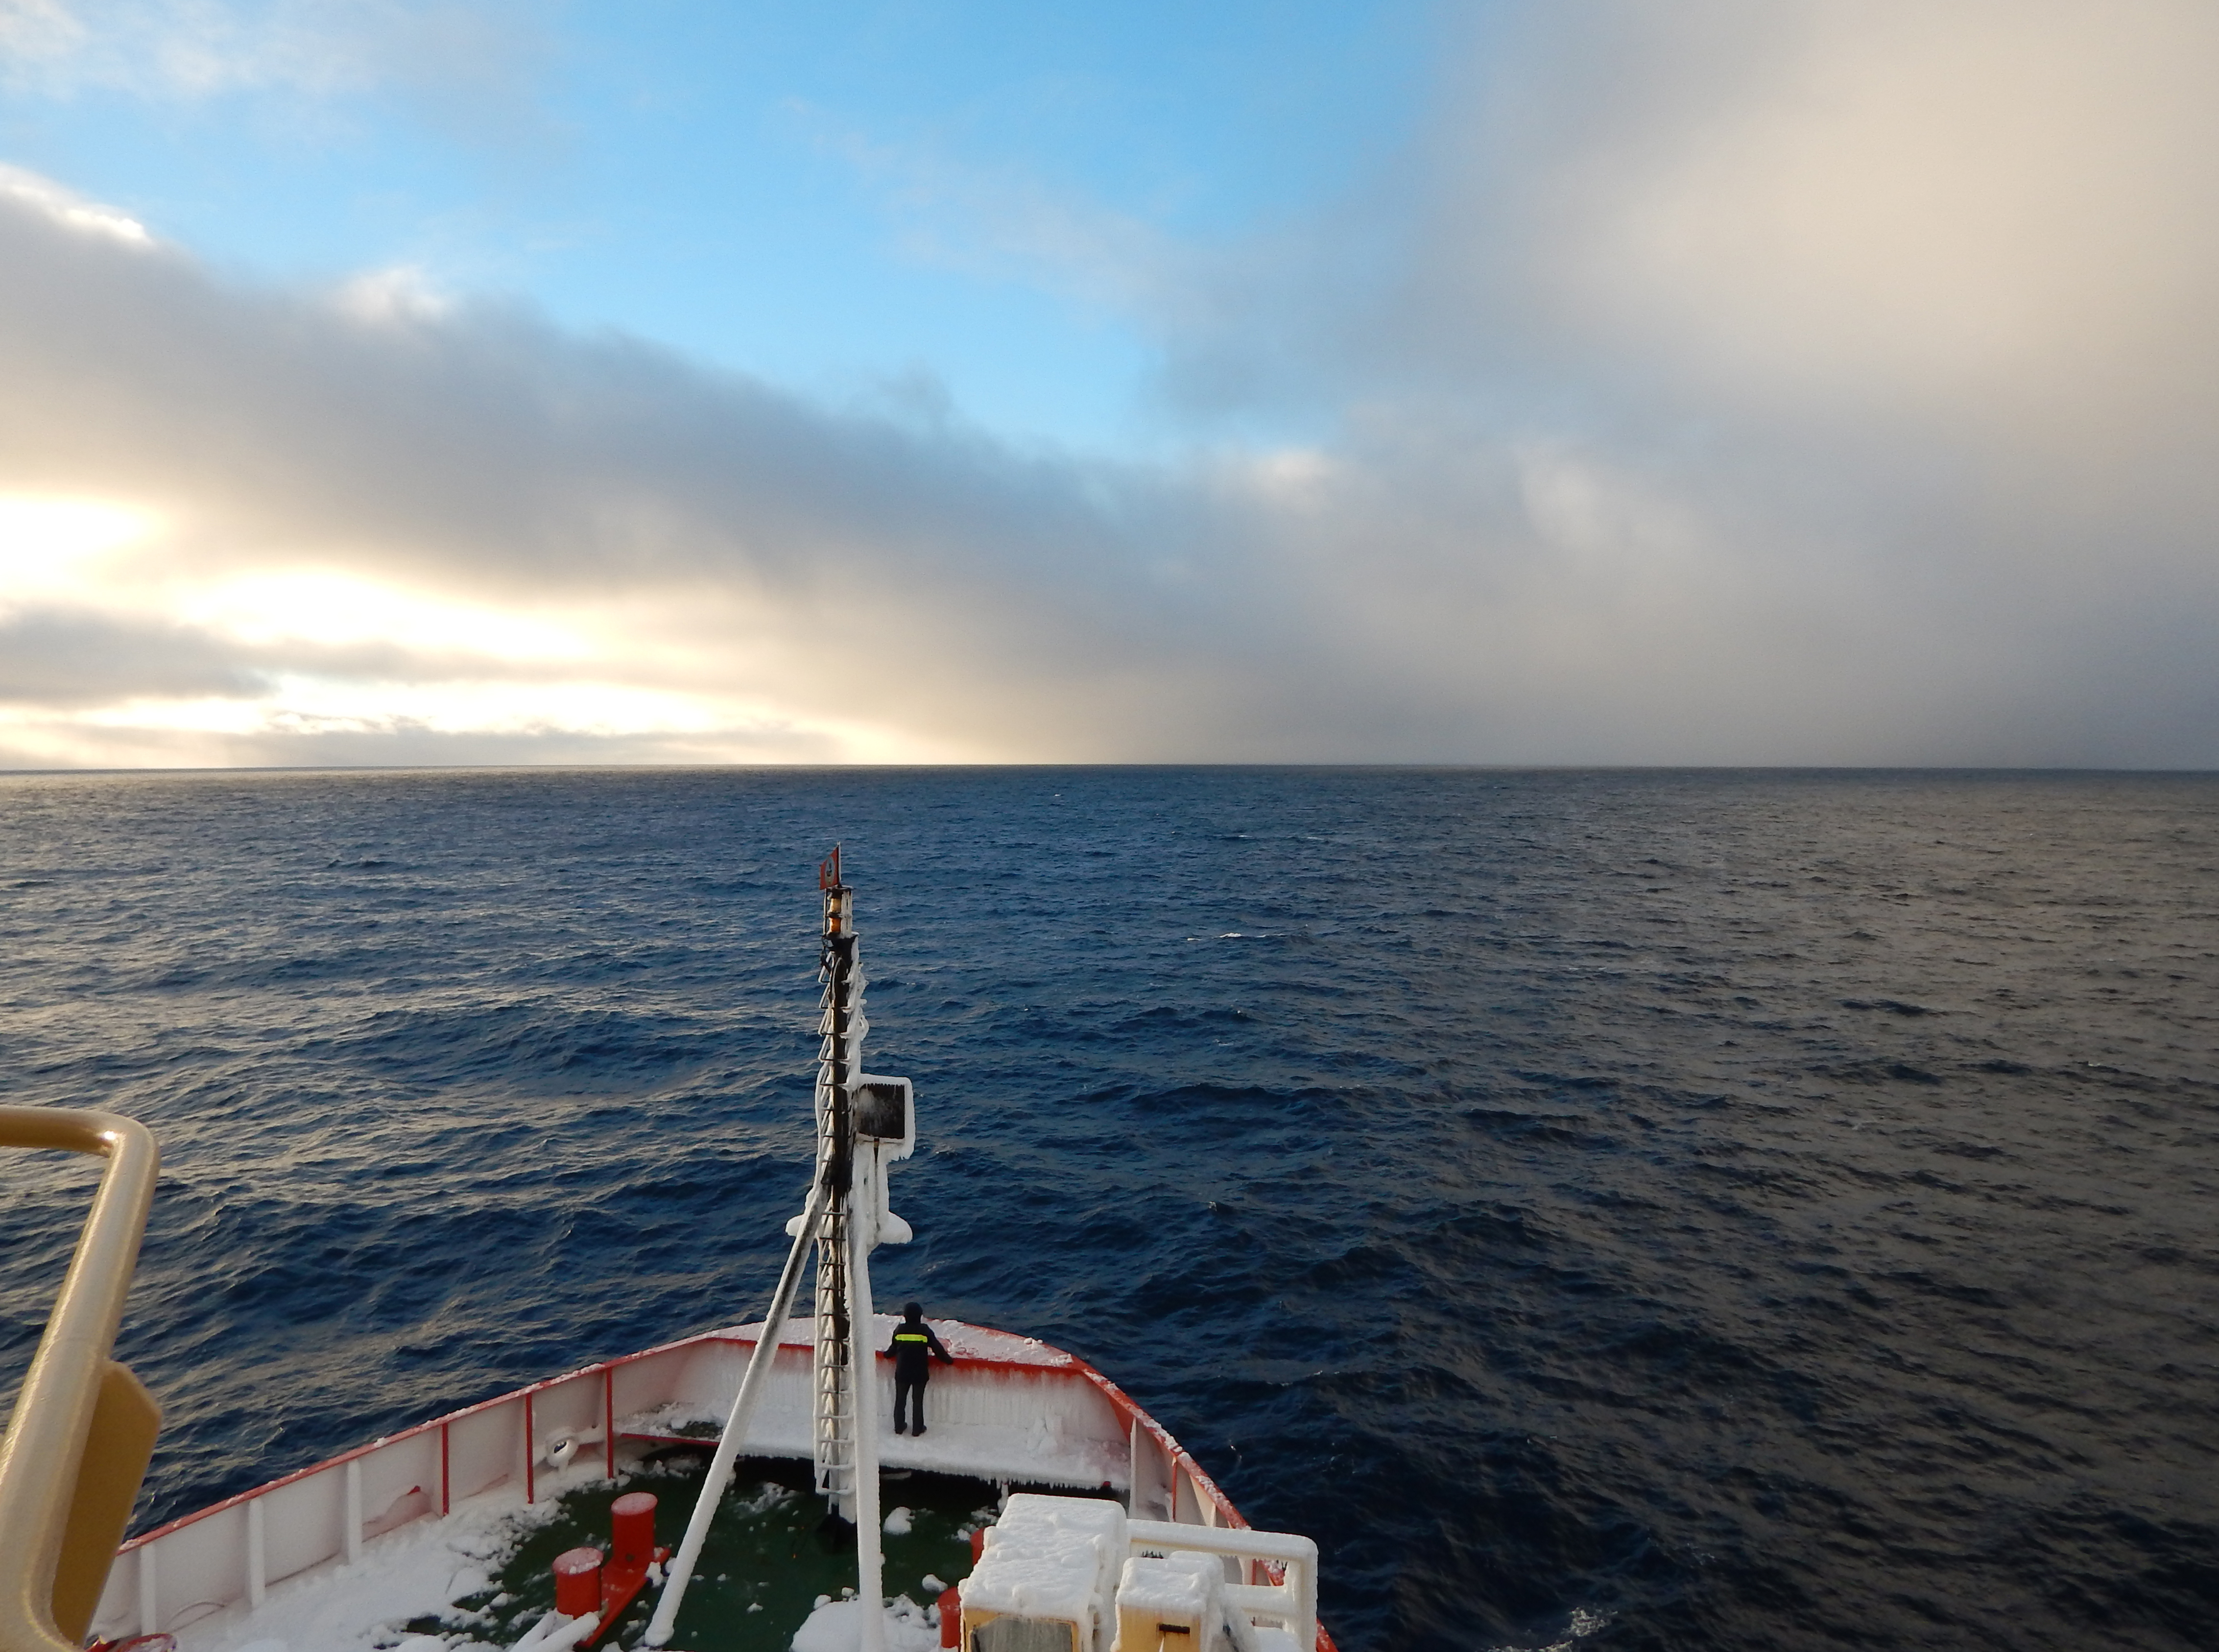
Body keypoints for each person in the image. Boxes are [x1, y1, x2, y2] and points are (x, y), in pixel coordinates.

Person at [885, 1301, 954, 1436]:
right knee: (918, 1401)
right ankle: (917, 1429)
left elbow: (893, 1349)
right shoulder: (924, 1331)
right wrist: (949, 1361)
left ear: (905, 1316)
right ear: (920, 1316)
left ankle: (899, 1427)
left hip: (902, 1372)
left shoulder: (900, 1330)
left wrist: (886, 1355)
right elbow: (938, 1349)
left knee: (900, 1400)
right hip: (919, 1373)